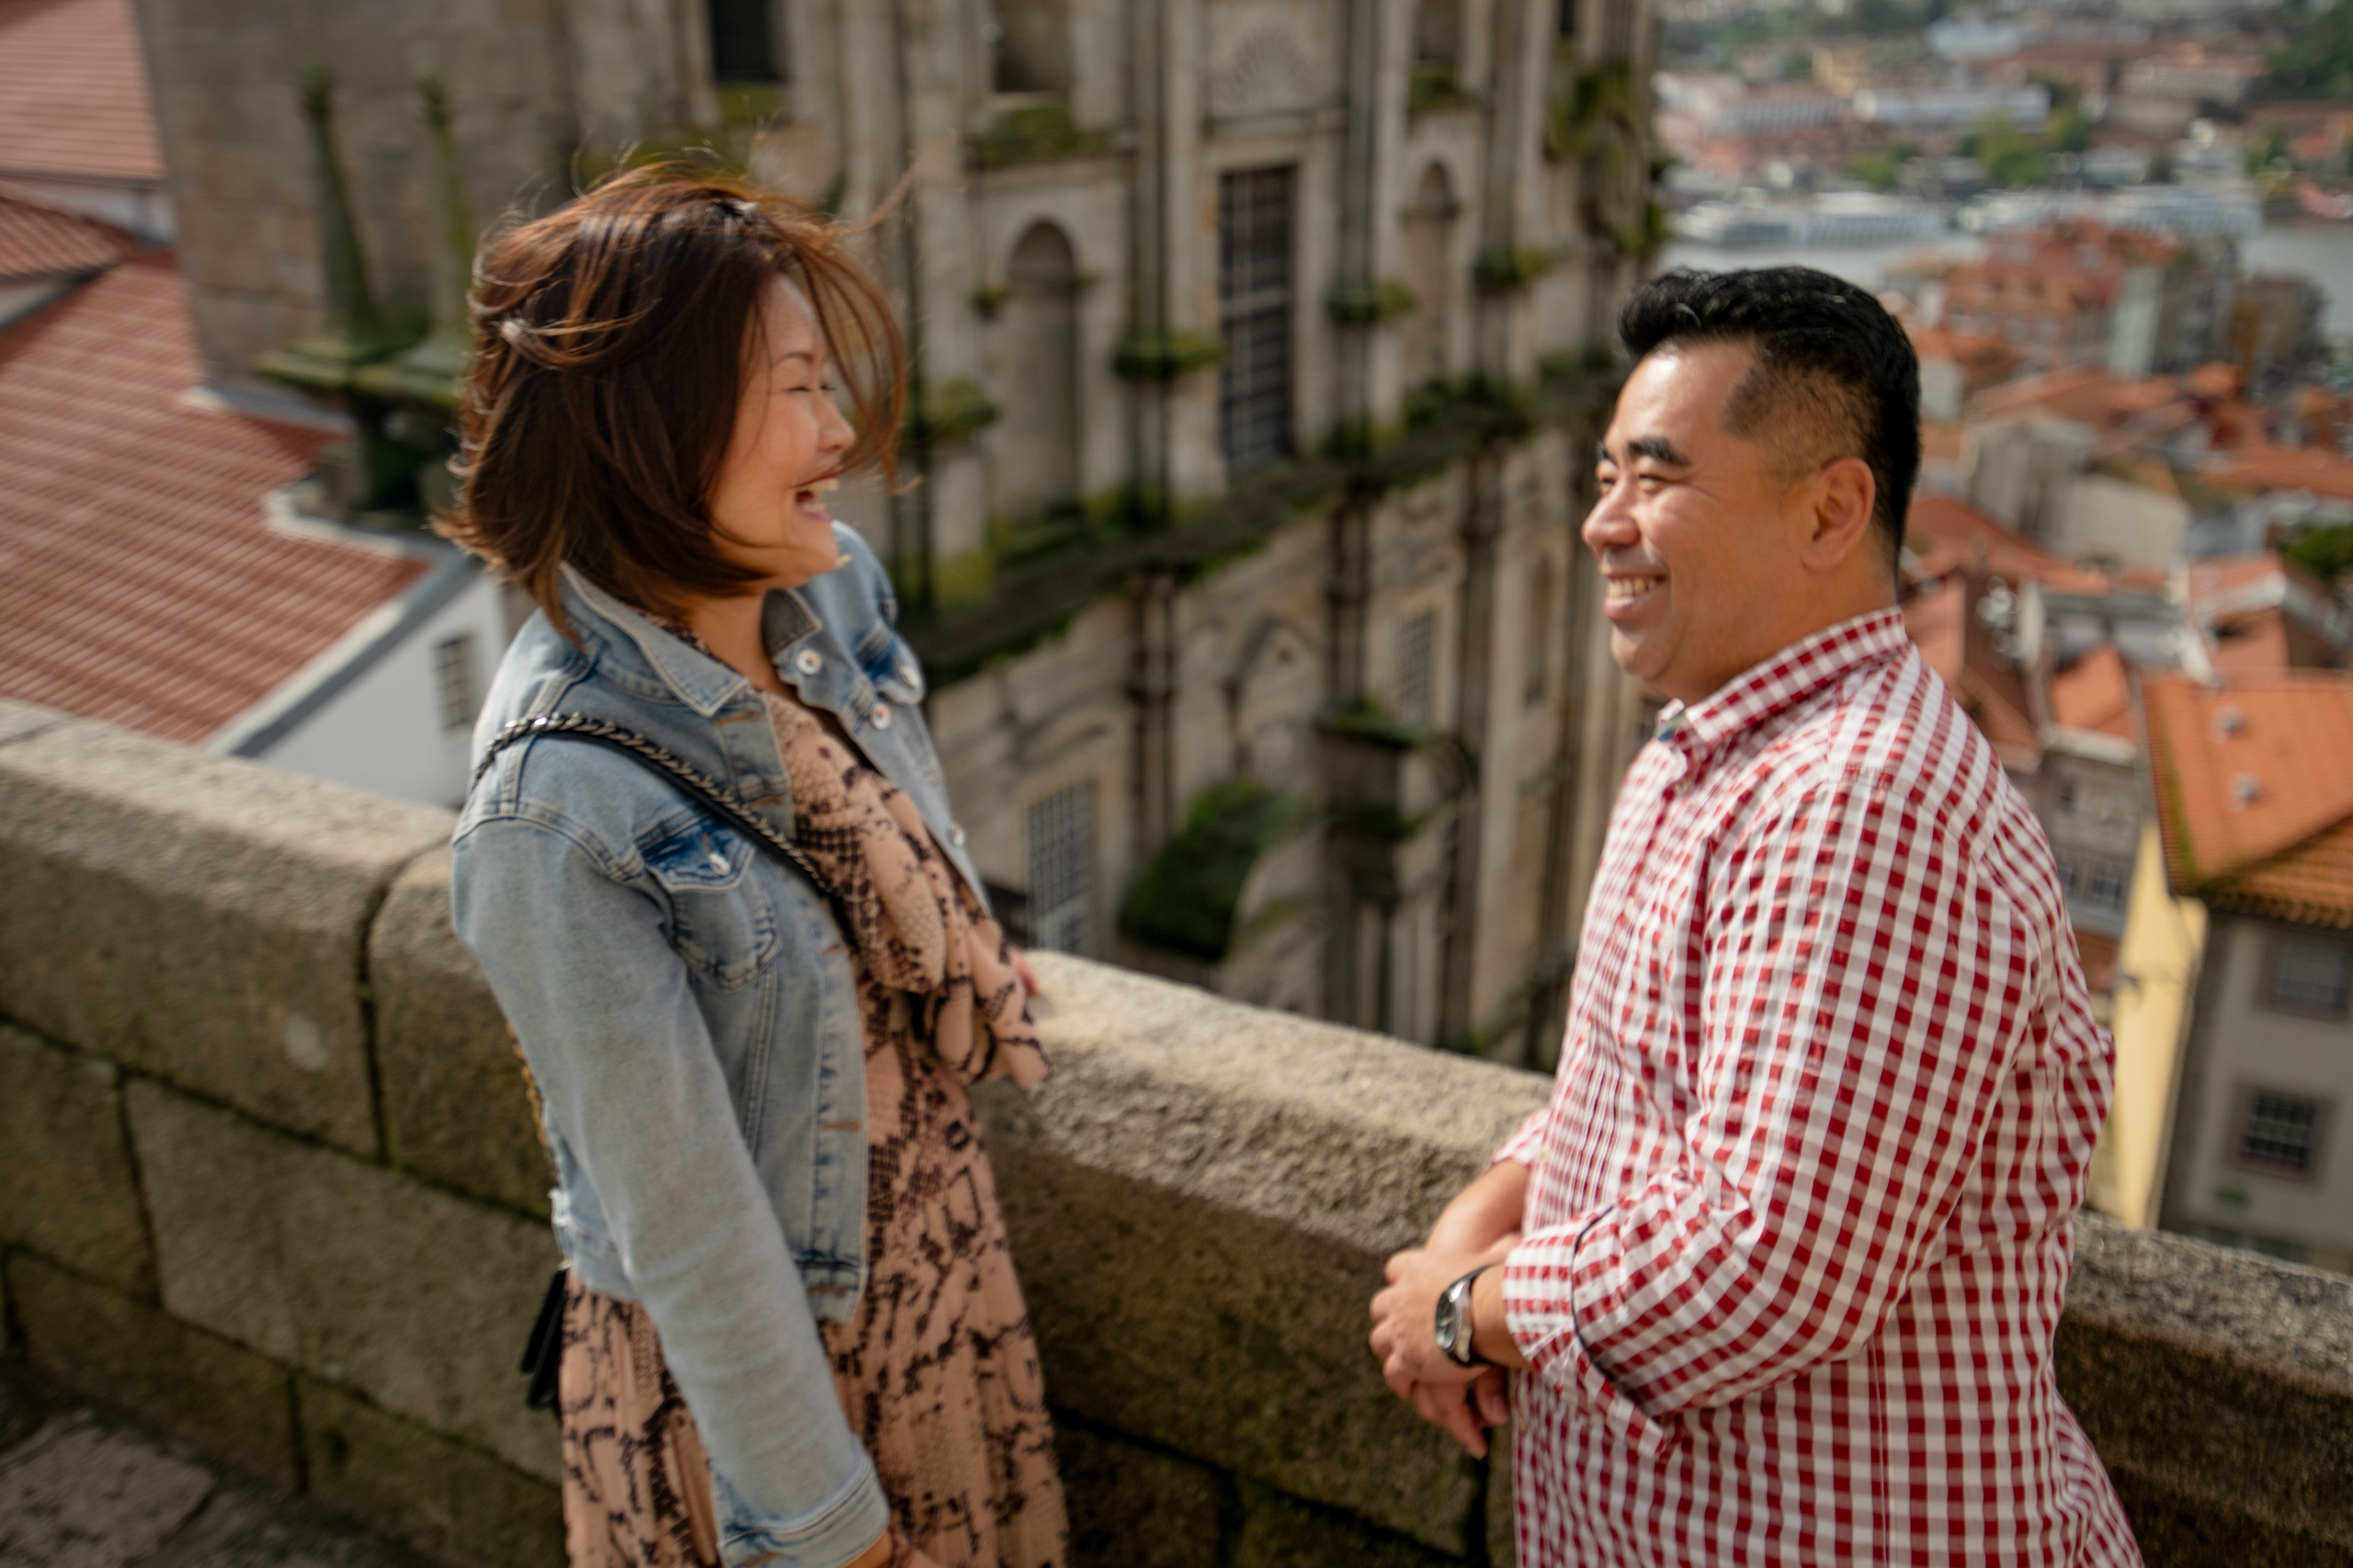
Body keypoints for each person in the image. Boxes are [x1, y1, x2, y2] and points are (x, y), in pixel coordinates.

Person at [1367, 267, 2142, 1566]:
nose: (1601, 523)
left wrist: (1471, 1311)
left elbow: (1768, 1258)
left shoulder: (1863, 801)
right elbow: (1651, 1085)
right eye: (1606, 474)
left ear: (1834, 509)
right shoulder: (1716, 748)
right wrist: (1488, 1206)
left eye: (1654, 477)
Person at [443, 166, 1067, 1568]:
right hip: (769, 1425)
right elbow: (695, 1241)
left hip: (948, 1305)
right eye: (797, 388)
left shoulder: (824, 589)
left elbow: (896, 841)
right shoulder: (554, 811)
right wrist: (835, 1534)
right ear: (652, 427)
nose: (840, 431)